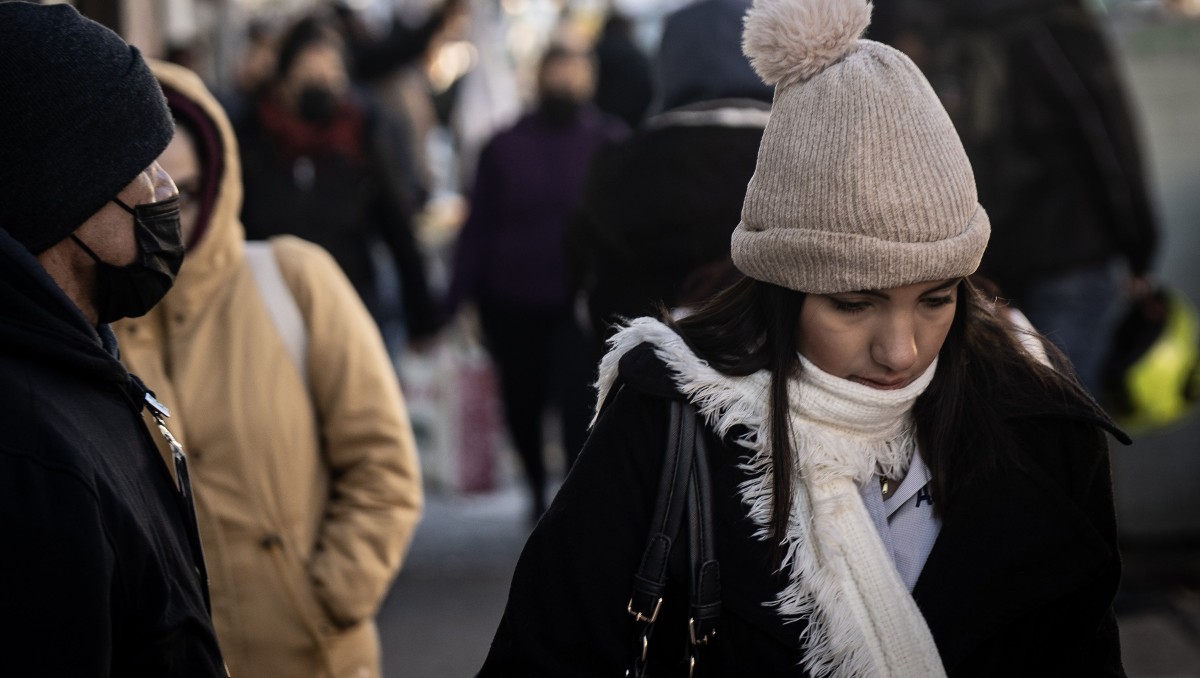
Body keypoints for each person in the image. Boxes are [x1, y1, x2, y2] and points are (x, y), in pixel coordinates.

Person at [479, 0, 1126, 675]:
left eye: (936, 300)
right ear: (782, 292)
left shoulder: (1040, 425)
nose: (901, 352)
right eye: (853, 305)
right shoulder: (670, 423)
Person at [114, 60, 423, 678]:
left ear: (218, 179)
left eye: (184, 192)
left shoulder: (294, 279)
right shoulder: (92, 331)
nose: (165, 216)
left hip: (314, 656)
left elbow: (383, 463)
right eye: (139, 196)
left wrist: (329, 598)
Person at [0, 4, 226, 675]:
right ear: (64, 194)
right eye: (142, 165)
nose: (165, 190)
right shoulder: (28, 450)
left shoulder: (83, 366)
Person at [869, 0, 1160, 399]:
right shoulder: (1056, 23)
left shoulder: (927, 26)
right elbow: (1106, 140)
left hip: (975, 263)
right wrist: (1139, 247)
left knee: (996, 407)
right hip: (1070, 254)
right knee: (1066, 406)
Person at [446, 43, 627, 520]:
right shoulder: (503, 146)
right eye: (557, 73)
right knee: (522, 405)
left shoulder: (610, 142)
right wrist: (454, 300)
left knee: (578, 409)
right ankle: (533, 491)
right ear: (539, 78)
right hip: (511, 302)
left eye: (574, 73)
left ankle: (569, 507)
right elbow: (478, 226)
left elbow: (627, 228)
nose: (565, 83)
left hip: (580, 305)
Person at [568, 0, 775, 358]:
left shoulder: (620, 164)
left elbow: (586, 278)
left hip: (646, 374)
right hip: (774, 378)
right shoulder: (802, 159)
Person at [235, 14, 439, 342]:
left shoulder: (361, 135)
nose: (320, 81)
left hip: (349, 310)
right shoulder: (252, 138)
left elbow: (397, 225)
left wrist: (423, 317)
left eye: (331, 72)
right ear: (285, 76)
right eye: (308, 71)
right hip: (266, 314)